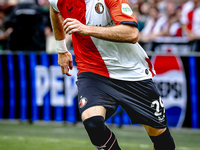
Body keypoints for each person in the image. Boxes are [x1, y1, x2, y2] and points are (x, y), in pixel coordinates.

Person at [49, 0, 176, 149]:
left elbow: (132, 33)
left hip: (131, 73)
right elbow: (54, 10)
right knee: (92, 122)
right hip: (92, 71)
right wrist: (61, 49)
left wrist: (86, 29)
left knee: (157, 131)